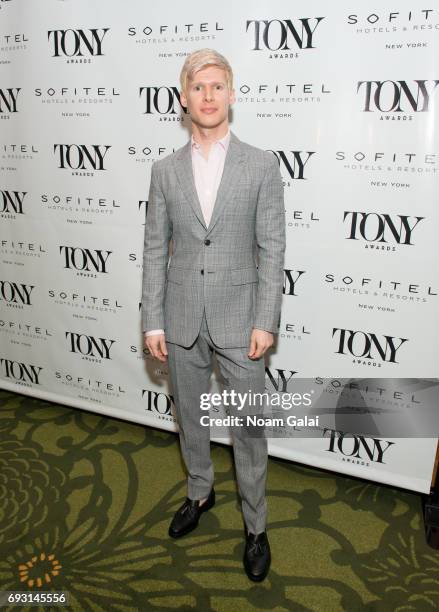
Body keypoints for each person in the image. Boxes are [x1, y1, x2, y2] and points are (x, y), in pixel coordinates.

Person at [142, 48, 285, 582]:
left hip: (241, 320)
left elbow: (272, 249)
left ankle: (256, 527)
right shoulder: (164, 171)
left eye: (217, 86)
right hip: (179, 319)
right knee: (192, 420)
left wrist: (265, 319)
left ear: (231, 94)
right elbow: (157, 248)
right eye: (198, 87)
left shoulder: (262, 164)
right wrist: (153, 321)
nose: (208, 96)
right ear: (184, 98)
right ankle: (199, 494)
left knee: (249, 429)